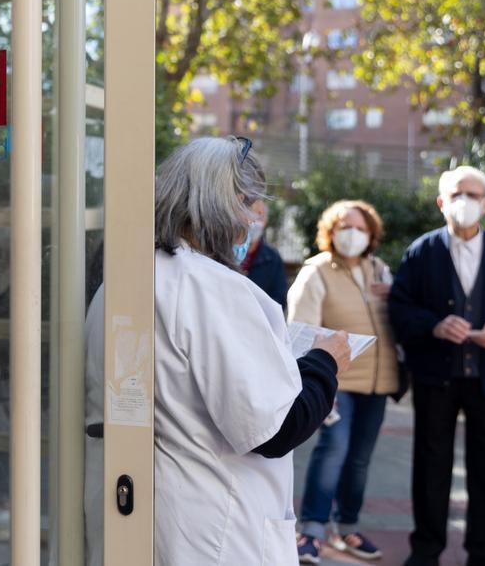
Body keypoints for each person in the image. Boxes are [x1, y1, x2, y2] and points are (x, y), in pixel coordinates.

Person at [83, 136, 353, 565]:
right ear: (223, 207)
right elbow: (276, 428)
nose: (253, 220)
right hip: (210, 532)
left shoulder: (121, 282)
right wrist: (325, 362)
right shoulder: (213, 289)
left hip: (134, 516)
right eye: (250, 205)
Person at [388, 165, 485, 566]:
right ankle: (425, 550)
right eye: (457, 194)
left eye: (473, 195)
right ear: (441, 203)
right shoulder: (421, 252)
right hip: (436, 377)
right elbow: (400, 309)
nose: (465, 202)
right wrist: (434, 326)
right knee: (430, 463)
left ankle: (483, 550)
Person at [288, 200, 398, 563]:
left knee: (360, 459)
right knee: (333, 450)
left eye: (360, 227)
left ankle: (347, 526)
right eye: (343, 226)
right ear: (330, 231)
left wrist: (394, 296)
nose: (352, 233)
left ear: (372, 234)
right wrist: (314, 378)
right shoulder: (316, 271)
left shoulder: (379, 270)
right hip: (337, 381)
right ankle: (312, 531)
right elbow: (300, 329)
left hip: (378, 382)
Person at [242, 183, 290, 308]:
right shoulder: (225, 252)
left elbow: (279, 299)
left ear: (266, 221)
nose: (255, 222)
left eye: (260, 217)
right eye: (251, 216)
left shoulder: (272, 258)